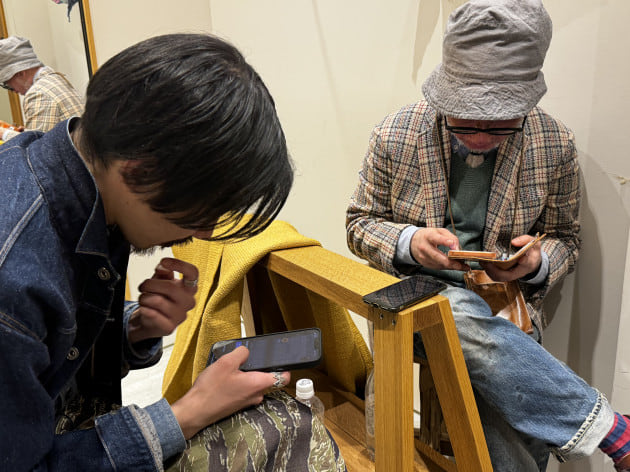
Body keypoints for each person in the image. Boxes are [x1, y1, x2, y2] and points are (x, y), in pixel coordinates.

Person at [0, 33, 344, 471]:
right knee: (288, 428)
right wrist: (185, 414)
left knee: (283, 419)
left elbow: (54, 354)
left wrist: (136, 328)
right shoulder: (13, 281)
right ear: (139, 172)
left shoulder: (77, 176)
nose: (204, 232)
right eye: (202, 211)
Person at [346, 0, 629, 470]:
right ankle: (609, 430)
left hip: (506, 313)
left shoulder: (553, 143)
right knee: (452, 310)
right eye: (464, 118)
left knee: (502, 392)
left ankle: (600, 430)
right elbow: (359, 223)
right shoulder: (395, 134)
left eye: (500, 123)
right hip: (413, 305)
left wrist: (535, 263)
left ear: (527, 104)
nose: (479, 134)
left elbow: (566, 238)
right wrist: (410, 243)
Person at [0, 36, 83, 141]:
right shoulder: (54, 80)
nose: (14, 91)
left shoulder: (39, 93)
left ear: (20, 73)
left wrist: (4, 133)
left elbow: (34, 146)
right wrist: (24, 133)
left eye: (8, 83)